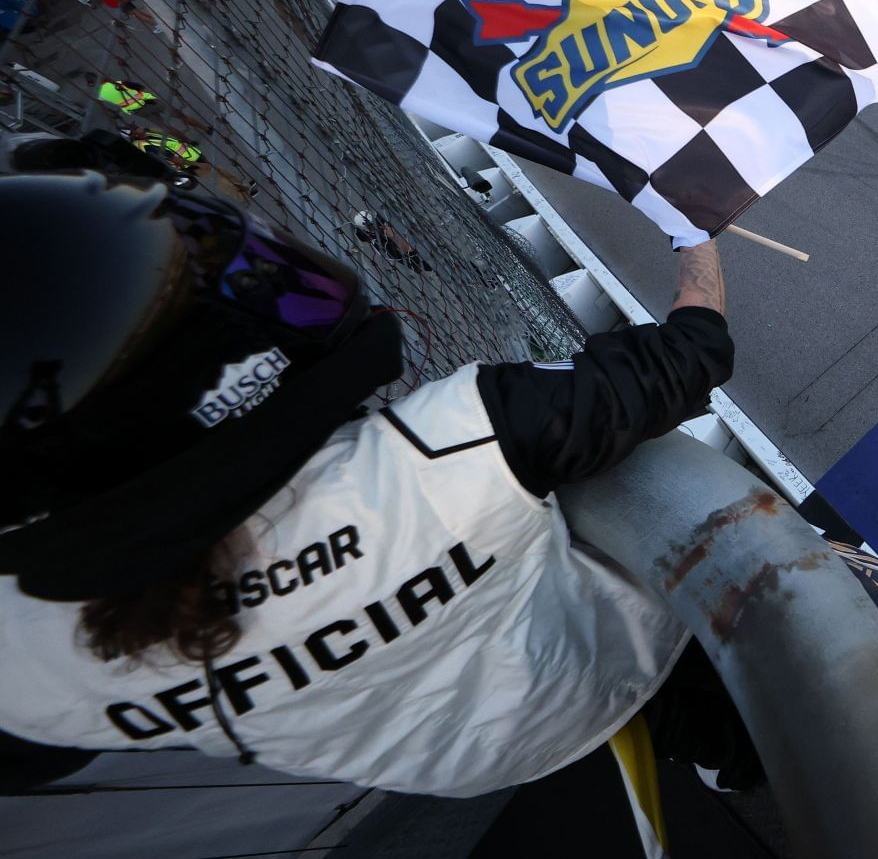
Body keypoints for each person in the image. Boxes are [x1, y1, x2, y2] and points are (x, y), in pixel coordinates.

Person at [0, 138, 734, 796]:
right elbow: (692, 350)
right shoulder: (451, 447)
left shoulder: (24, 672)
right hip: (618, 661)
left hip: (465, 764)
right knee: (729, 691)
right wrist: (692, 229)